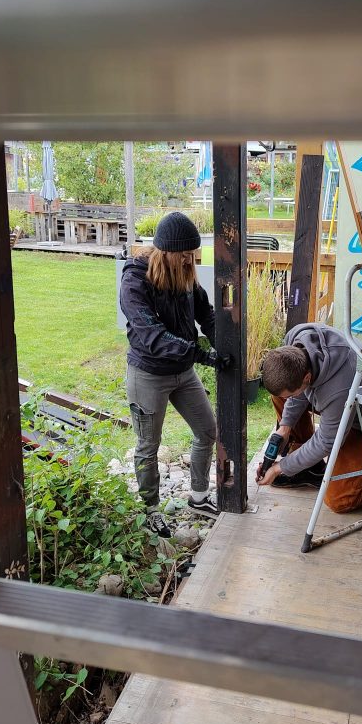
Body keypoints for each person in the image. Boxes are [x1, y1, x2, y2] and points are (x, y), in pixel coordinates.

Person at [120, 212, 230, 537]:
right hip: (148, 374)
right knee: (148, 446)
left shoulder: (185, 273)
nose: (190, 260)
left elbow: (206, 313)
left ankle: (198, 497)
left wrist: (224, 343)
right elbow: (152, 336)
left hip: (183, 372)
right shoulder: (135, 281)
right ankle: (151, 509)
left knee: (207, 430)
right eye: (184, 255)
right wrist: (203, 355)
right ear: (166, 252)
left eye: (191, 255)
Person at [258, 323, 362, 512]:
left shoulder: (338, 388)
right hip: (344, 410)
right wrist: (284, 428)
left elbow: (326, 442)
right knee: (281, 393)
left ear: (308, 378)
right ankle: (310, 468)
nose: (289, 401)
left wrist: (280, 468)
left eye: (292, 395)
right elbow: (296, 391)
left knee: (338, 499)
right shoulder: (296, 342)